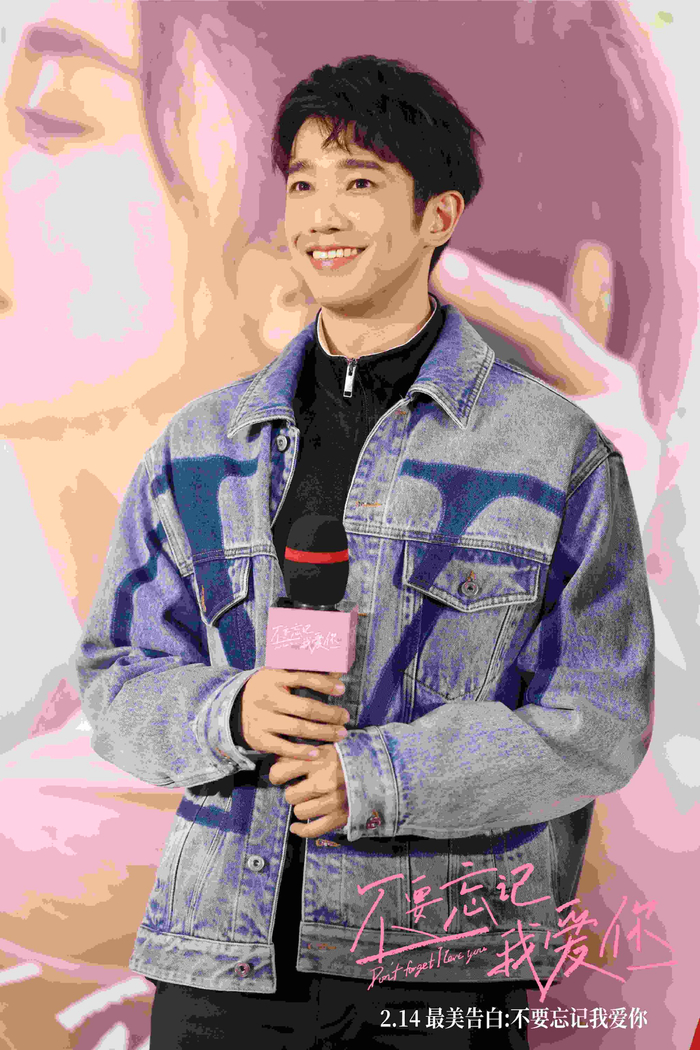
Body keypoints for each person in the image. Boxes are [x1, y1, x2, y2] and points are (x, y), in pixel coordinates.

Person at [76, 54, 653, 1048]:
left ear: (438, 215)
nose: (320, 217)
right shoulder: (200, 444)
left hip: (436, 965)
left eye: (359, 183)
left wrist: (383, 777)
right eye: (302, 185)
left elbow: (600, 722)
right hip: (220, 962)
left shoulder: (554, 452)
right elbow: (114, 678)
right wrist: (231, 710)